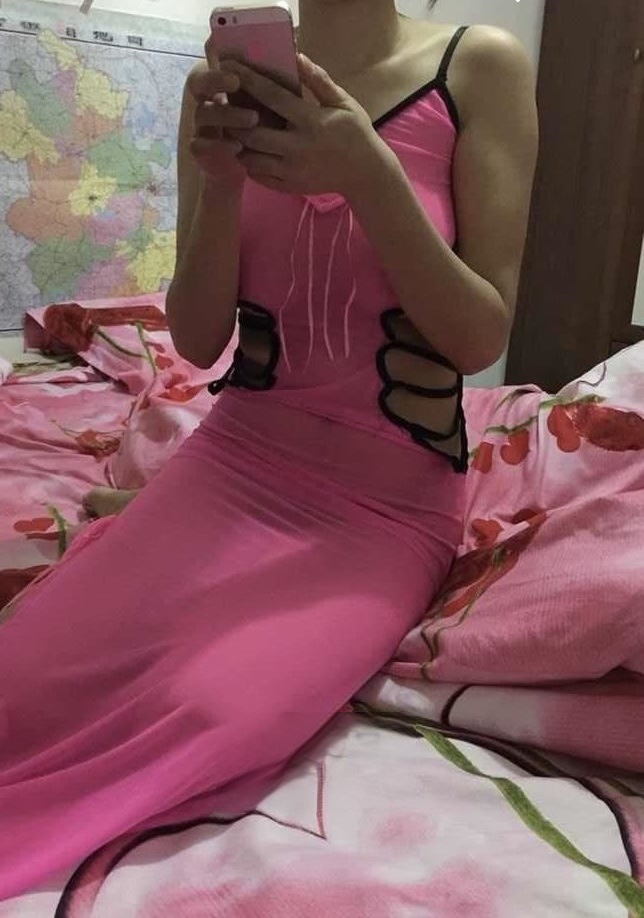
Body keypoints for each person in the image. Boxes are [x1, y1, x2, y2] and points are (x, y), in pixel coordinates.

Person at [0, 0, 537, 899]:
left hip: (385, 504)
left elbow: (479, 336)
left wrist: (371, 177)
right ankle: (140, 518)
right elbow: (199, 337)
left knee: (214, 711)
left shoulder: (480, 67)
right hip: (235, 462)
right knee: (24, 678)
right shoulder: (221, 85)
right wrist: (218, 183)